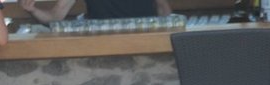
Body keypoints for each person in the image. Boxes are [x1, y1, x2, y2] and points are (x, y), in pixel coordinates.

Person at [18, 0, 172, 23]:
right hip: (100, 47)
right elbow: (55, 16)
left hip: (143, 42)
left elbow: (164, 10)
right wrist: (33, 10)